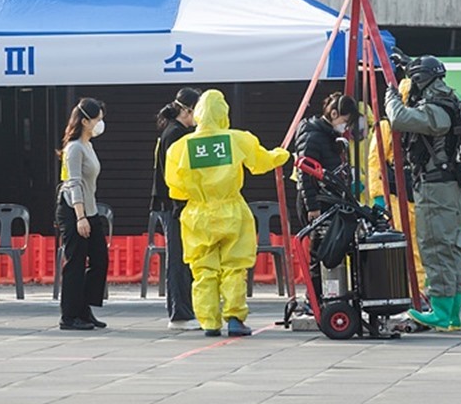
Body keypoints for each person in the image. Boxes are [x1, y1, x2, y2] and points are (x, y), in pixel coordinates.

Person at [165, 89, 289, 337]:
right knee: (234, 267)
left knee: (203, 271)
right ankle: (234, 318)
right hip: (232, 212)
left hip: (198, 215)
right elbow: (262, 162)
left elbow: (175, 187)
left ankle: (210, 322)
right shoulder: (237, 139)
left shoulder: (180, 148)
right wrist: (282, 154)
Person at [385, 55, 461, 332]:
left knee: (436, 246)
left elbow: (399, 119)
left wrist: (391, 96)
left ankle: (441, 313)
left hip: (436, 187)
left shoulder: (435, 107)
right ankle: (452, 314)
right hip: (449, 185)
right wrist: (407, 62)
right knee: (452, 247)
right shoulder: (448, 99)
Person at [293, 92, 357, 302]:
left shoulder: (329, 136)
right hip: (318, 203)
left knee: (331, 250)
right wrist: (312, 206)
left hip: (330, 200)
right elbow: (304, 173)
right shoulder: (313, 136)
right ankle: (316, 298)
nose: (345, 126)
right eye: (345, 120)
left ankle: (329, 295)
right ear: (334, 113)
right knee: (319, 252)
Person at [56, 98, 109, 331]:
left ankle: (84, 308)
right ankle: (69, 315)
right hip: (73, 210)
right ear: (85, 121)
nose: (100, 124)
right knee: (75, 262)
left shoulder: (88, 145)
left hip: (91, 208)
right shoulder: (74, 148)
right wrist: (80, 217)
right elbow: (74, 183)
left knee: (100, 260)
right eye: (97, 119)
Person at [367, 79, 425, 293]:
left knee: (419, 246)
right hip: (395, 193)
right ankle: (407, 290)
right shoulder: (387, 126)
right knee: (402, 243)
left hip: (417, 190)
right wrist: (378, 196)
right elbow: (375, 161)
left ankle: (418, 290)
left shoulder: (421, 122)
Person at [151, 88, 201, 331]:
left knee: (184, 259)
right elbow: (174, 176)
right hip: (173, 206)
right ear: (187, 110)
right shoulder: (175, 135)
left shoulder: (177, 132)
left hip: (176, 205)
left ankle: (186, 310)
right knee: (178, 260)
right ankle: (179, 314)